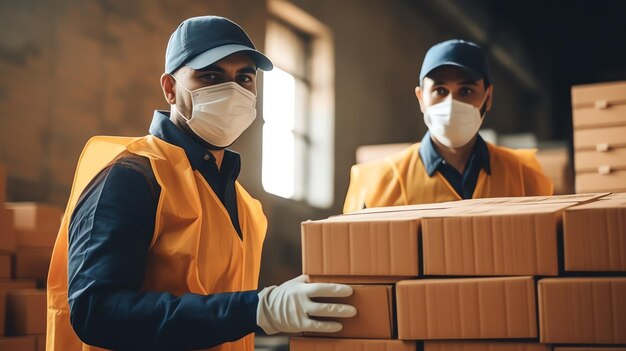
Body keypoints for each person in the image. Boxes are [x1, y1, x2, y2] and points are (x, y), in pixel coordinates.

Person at [47, 16, 356, 351]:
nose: (232, 90)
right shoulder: (133, 176)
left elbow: (221, 316)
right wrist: (257, 309)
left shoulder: (244, 204)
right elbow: (95, 311)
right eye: (211, 75)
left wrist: (274, 313)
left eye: (244, 78)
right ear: (169, 87)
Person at [343, 39, 553, 213]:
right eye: (440, 91)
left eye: (466, 91)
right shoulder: (378, 184)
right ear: (421, 98)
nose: (451, 104)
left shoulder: (524, 176)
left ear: (488, 98)